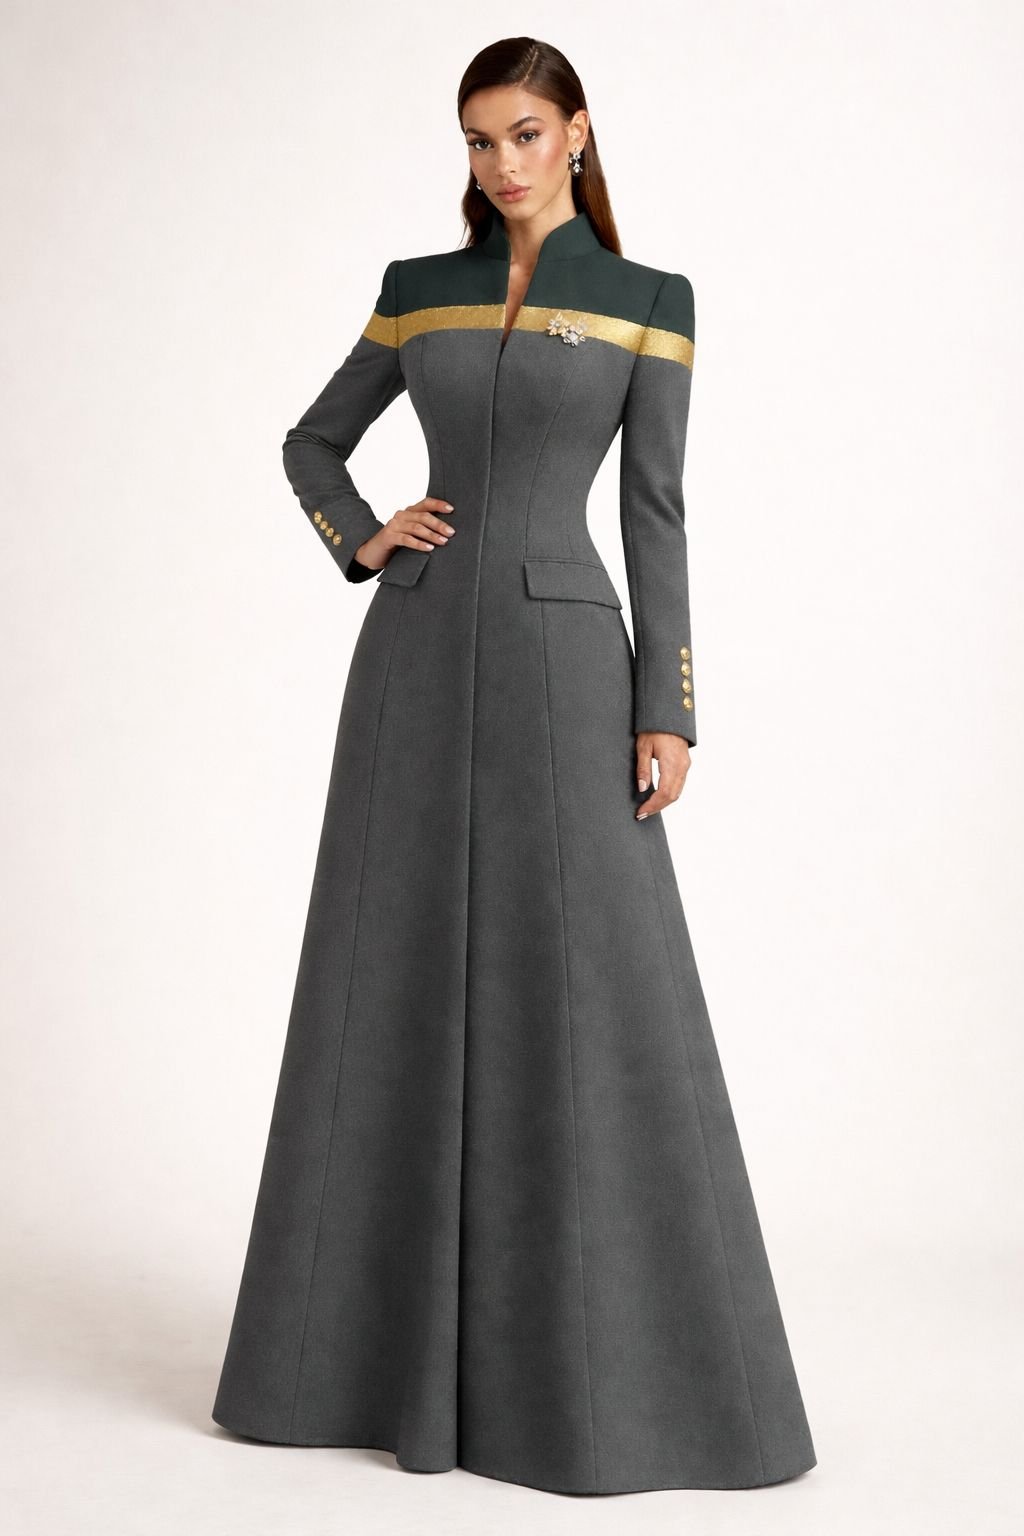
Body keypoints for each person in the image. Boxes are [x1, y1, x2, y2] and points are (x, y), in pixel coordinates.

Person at [211, 36, 817, 1497]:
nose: (501, 163)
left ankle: (608, 1373)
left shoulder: (649, 302)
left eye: (526, 134)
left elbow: (657, 512)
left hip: (565, 662)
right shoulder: (418, 286)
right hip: (415, 659)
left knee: (592, 982)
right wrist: (364, 536)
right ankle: (343, 1366)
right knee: (388, 967)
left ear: (578, 134)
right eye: (480, 140)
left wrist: (668, 705)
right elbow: (311, 443)